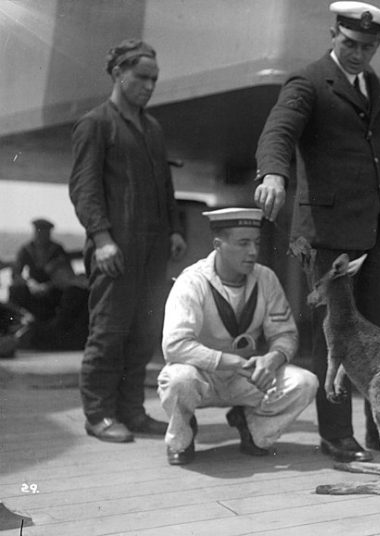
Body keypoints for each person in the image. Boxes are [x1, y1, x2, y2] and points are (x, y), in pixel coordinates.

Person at [254, 2, 380, 463]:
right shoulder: (308, 82)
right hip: (326, 236)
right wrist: (273, 175)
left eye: (367, 46)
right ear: (332, 34)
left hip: (377, 232)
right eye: (349, 44)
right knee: (336, 337)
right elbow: (279, 131)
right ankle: (336, 436)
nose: (358, 53)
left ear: (377, 44)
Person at [69, 38, 187, 443]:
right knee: (109, 331)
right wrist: (101, 238)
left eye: (154, 79)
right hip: (114, 249)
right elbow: (84, 188)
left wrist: (174, 230)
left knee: (143, 334)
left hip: (151, 249)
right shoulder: (96, 124)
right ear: (119, 73)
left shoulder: (152, 128)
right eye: (142, 77)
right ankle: (98, 415)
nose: (149, 86)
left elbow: (164, 187)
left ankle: (132, 412)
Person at [157, 208, 318, 465]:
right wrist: (229, 361)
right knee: (179, 379)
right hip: (202, 374)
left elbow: (285, 333)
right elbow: (175, 346)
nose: (253, 251)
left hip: (246, 376)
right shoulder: (192, 282)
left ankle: (254, 429)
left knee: (305, 383)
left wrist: (272, 359)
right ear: (218, 245)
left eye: (256, 243)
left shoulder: (266, 278)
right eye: (243, 243)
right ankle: (182, 433)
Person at [9, 218, 71, 322]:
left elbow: (67, 273)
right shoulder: (26, 249)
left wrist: (49, 285)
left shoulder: (57, 249)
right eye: (38, 232)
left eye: (44, 232)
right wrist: (30, 283)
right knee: (15, 289)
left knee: (70, 294)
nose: (40, 236)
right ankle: (19, 320)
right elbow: (16, 273)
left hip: (53, 288)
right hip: (33, 287)